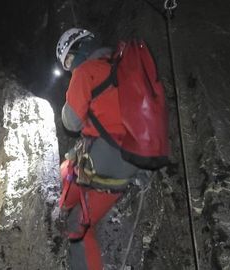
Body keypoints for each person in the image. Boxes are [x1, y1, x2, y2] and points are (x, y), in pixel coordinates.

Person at [55, 28, 140, 270]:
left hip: (106, 157)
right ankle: (66, 211)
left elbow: (71, 122)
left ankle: (61, 210)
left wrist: (70, 95)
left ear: (80, 48)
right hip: (132, 161)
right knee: (82, 221)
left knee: (68, 173)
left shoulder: (86, 71)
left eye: (70, 60)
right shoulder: (123, 67)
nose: (71, 68)